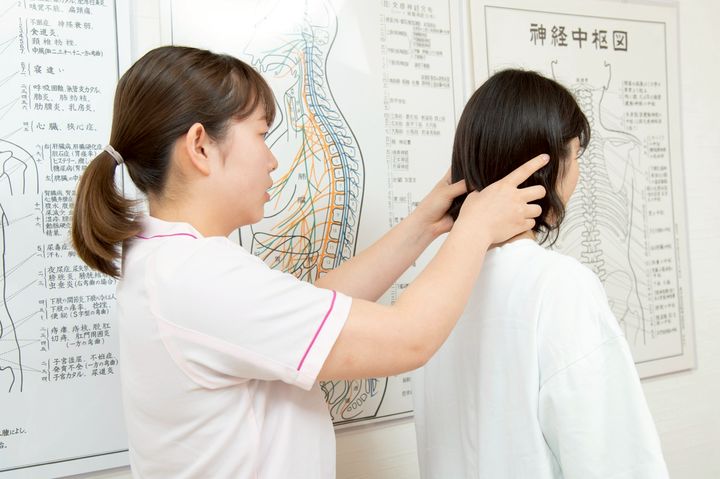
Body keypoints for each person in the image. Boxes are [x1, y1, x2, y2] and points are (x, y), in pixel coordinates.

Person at [70, 46, 548, 478]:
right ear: (200, 146)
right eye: (261, 134)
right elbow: (409, 338)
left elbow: (313, 308)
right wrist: (475, 228)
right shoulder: (197, 278)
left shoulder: (167, 260)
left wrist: (423, 225)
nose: (272, 160)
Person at [414, 69, 668, 479]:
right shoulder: (558, 285)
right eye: (575, 156)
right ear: (544, 169)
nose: (577, 174)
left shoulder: (432, 291)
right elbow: (610, 457)